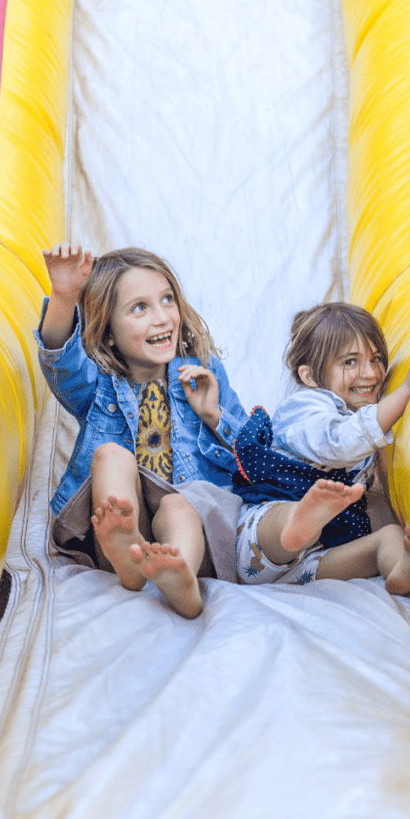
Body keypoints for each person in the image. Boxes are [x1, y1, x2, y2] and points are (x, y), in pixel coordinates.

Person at [37, 243, 248, 619]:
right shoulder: (96, 386)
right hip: (127, 522)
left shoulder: (202, 374)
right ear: (109, 331)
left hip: (188, 530)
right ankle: (127, 552)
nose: (163, 317)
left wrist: (214, 415)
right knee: (110, 456)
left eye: (168, 300)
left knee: (179, 502)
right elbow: (61, 359)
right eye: (140, 308)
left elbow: (250, 457)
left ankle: (179, 576)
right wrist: (65, 296)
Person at [232, 302, 410, 594]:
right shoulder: (304, 407)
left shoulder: (362, 417)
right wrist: (404, 392)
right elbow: (339, 443)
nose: (371, 373)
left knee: (389, 536)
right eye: (350, 362)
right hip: (259, 542)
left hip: (308, 567)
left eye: (377, 359)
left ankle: (401, 573)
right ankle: (301, 523)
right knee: (288, 514)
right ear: (309, 377)